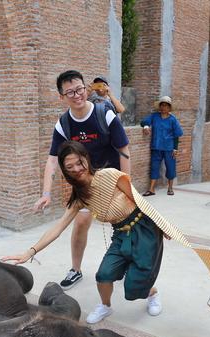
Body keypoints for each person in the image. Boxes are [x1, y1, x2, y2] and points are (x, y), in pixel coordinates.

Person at [3, 141, 210, 324]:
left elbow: (138, 200)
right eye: (69, 168)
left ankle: (151, 292)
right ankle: (105, 306)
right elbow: (59, 227)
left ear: (86, 159)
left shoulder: (109, 175)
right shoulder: (80, 196)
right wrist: (29, 251)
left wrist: (162, 224)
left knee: (133, 289)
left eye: (78, 163)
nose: (76, 170)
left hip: (143, 229)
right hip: (120, 234)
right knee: (104, 274)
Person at [34, 70, 131, 291]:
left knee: (125, 225)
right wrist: (46, 193)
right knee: (79, 223)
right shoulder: (64, 124)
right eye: (70, 92)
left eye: (79, 89)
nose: (76, 95)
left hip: (112, 181)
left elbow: (124, 150)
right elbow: (52, 160)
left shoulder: (104, 114)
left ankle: (130, 268)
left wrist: (128, 186)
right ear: (62, 97)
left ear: (86, 89)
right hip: (86, 183)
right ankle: (75, 269)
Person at [140, 96, 183, 196]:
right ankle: (151, 189)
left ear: (169, 108)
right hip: (156, 146)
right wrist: (146, 126)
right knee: (154, 167)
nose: (163, 107)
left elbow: (177, 135)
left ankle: (170, 188)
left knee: (170, 167)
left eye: (166, 106)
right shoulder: (154, 116)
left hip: (169, 148)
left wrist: (175, 148)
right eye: (162, 105)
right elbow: (143, 122)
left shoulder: (173, 120)